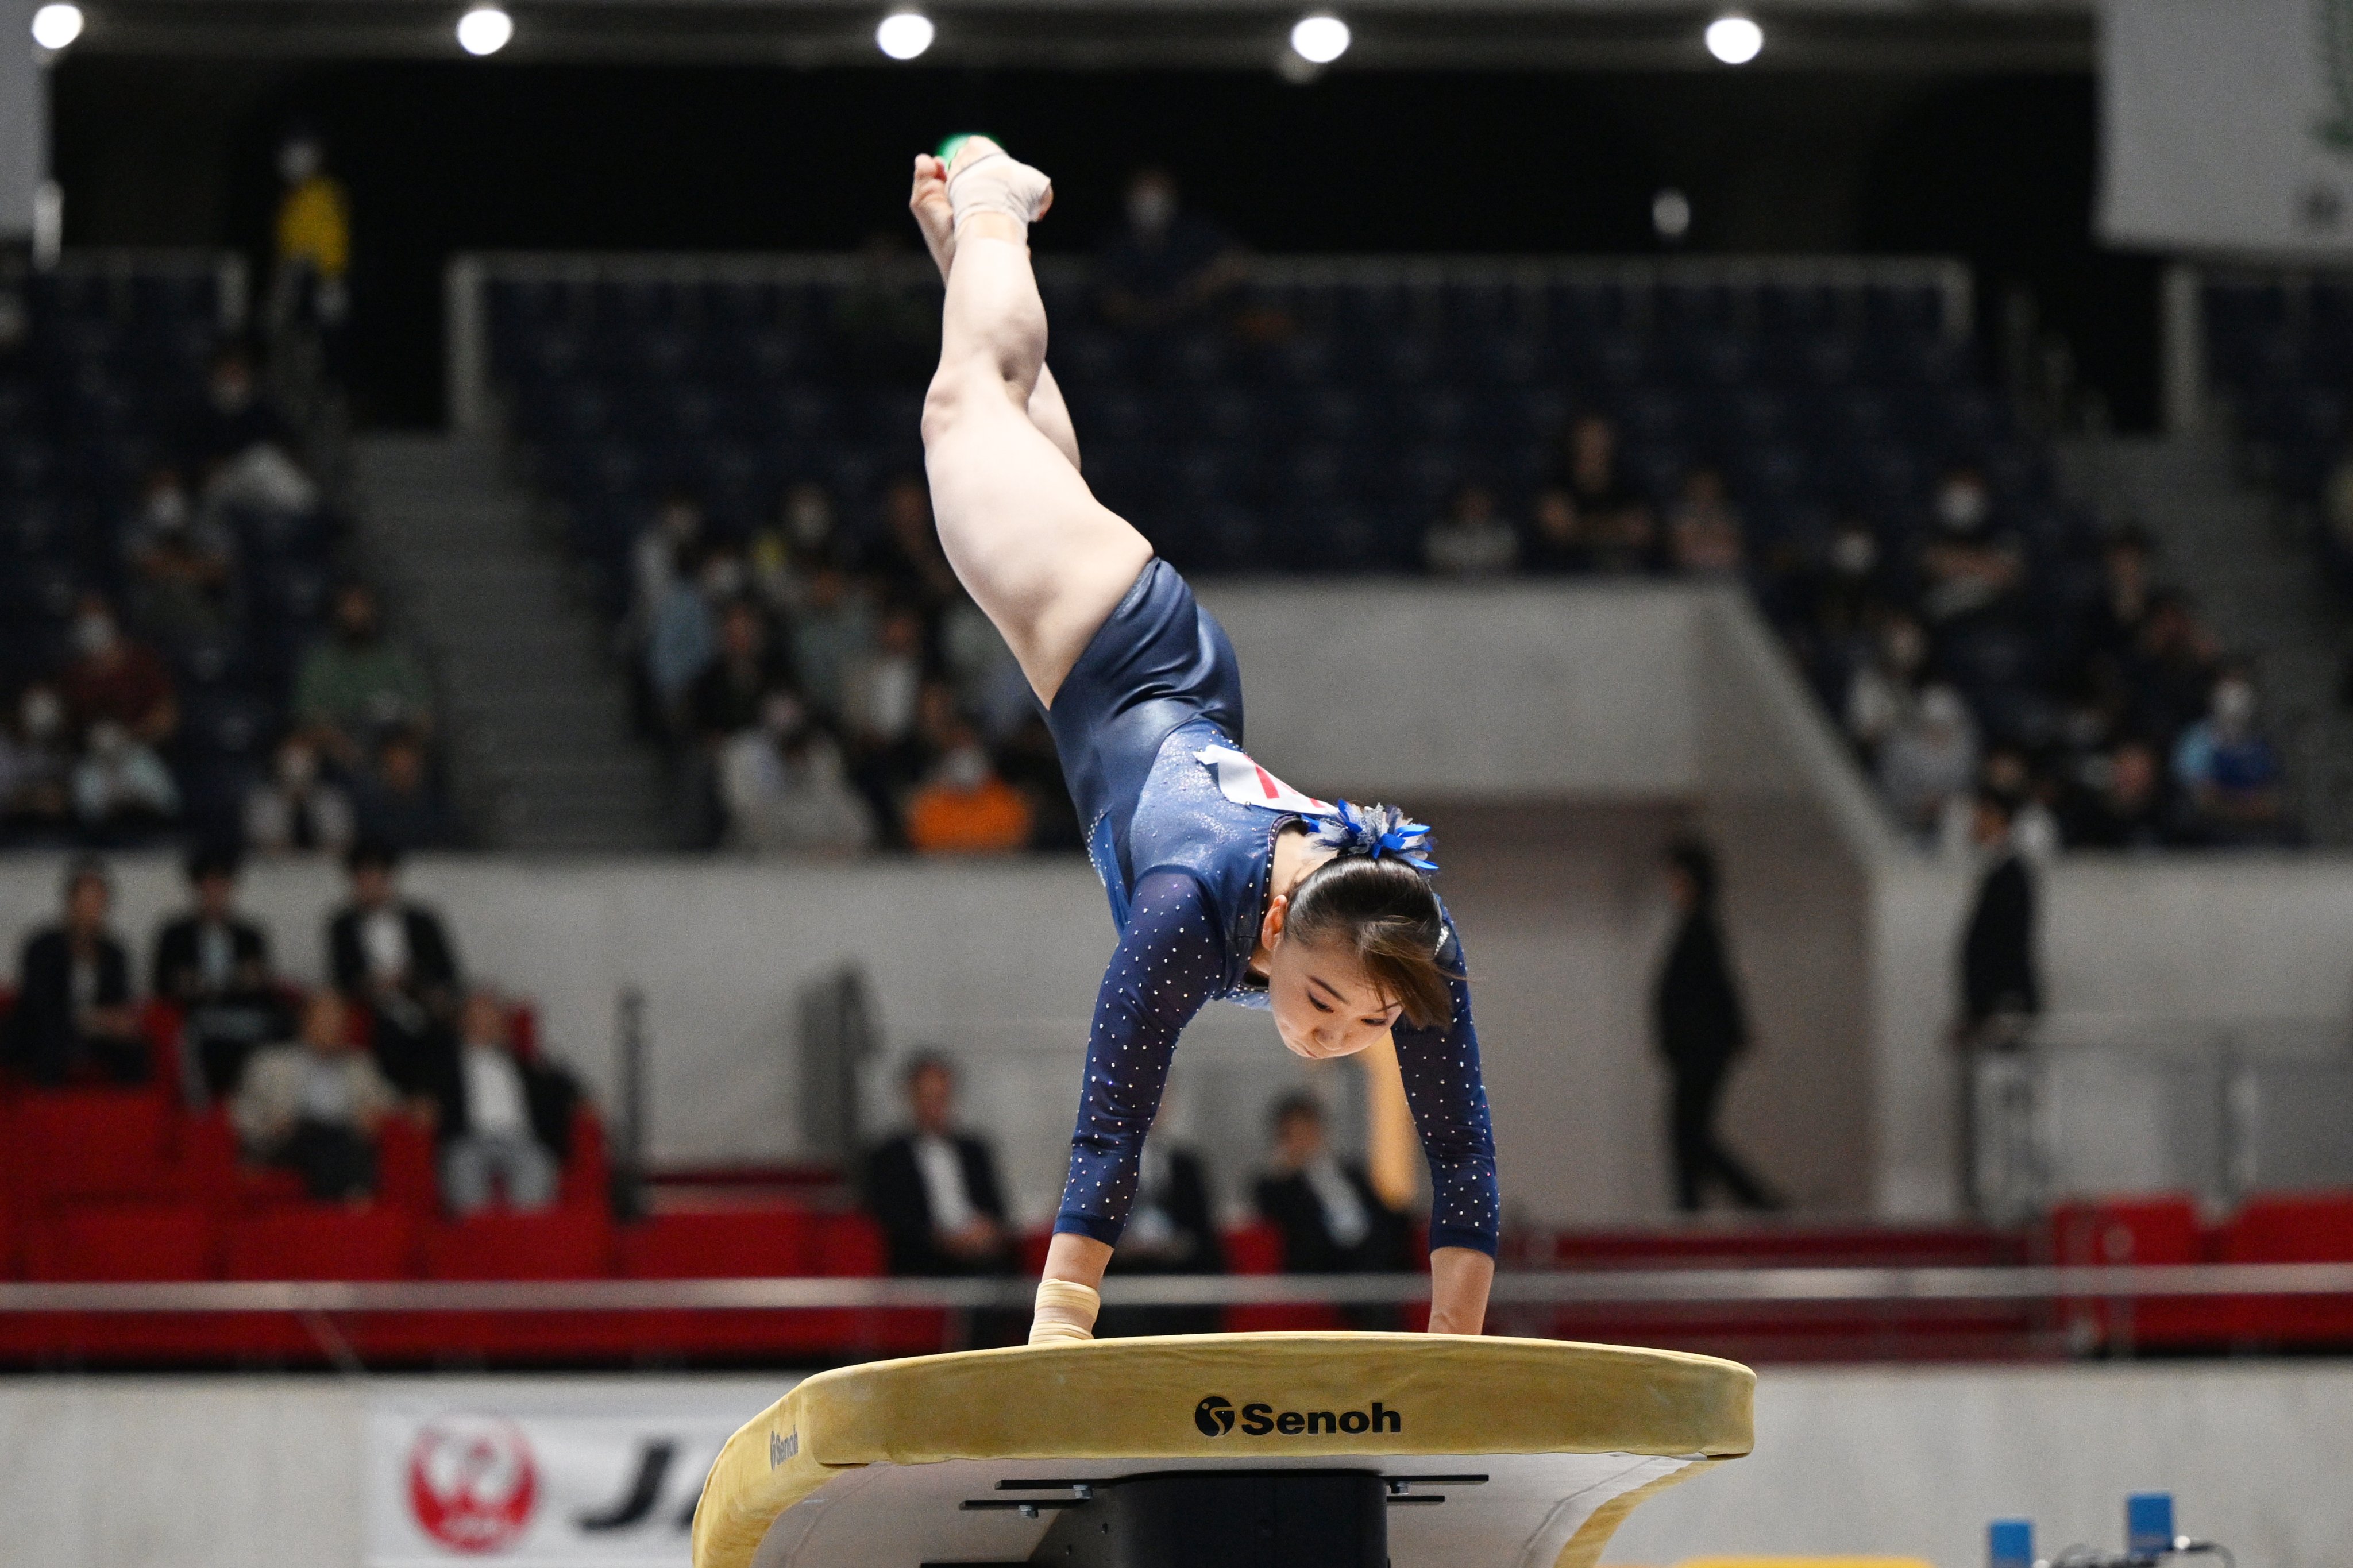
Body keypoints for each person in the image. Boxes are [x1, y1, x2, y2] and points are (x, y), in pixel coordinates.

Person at [907, 140, 1496, 1345]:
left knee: (1012, 423)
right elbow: (1112, 1112)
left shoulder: (1405, 939)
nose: (1334, 1041)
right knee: (964, 403)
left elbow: (1459, 1143)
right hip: (1102, 637)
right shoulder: (1188, 909)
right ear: (1276, 928)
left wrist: (1457, 1350)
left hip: (1168, 683)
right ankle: (989, 200)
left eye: (1362, 1029)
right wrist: (1063, 1320)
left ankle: (971, 259)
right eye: (1330, 1005)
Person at [1652, 839, 1777, 1214]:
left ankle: (1751, 1201)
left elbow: (1719, 984)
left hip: (1701, 1051)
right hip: (1696, 1050)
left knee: (1688, 1135)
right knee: (1690, 1136)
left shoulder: (1701, 927)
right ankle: (1736, 1202)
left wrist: (1731, 1031)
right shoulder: (1694, 925)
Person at [1252, 1094, 1410, 1328]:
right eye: (1297, 1133)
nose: (1306, 1139)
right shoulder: (1276, 1184)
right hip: (1322, 1266)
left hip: (1372, 1260)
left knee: (1379, 1272)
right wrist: (1289, 1171)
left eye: (1310, 1130)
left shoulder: (1351, 1171)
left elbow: (1386, 1216)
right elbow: (1281, 1227)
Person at [232, 991, 396, 1203]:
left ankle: (336, 1208)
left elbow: (390, 1103)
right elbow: (241, 1112)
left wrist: (374, 1115)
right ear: (306, 1023)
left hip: (343, 1134)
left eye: (340, 1022)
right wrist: (270, 1125)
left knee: (338, 1139)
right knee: (319, 1136)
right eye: (327, 1021)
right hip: (287, 1139)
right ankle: (352, 1199)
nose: (334, 1028)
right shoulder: (271, 1063)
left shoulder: (360, 1065)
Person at [327, 840, 461, 1096]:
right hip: (376, 1008)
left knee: (442, 1037)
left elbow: (448, 973)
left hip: (422, 1002)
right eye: (363, 879)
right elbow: (341, 978)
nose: (370, 886)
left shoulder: (423, 922)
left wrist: (414, 981)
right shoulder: (342, 926)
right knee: (390, 1036)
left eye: (376, 877)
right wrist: (375, 984)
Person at [861, 1054, 1015, 1277]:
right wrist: (943, 1239)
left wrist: (985, 1231)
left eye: (941, 1099)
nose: (935, 1108)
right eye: (928, 1099)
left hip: (982, 1256)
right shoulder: (888, 1156)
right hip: (923, 1257)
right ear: (911, 1098)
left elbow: (998, 1208)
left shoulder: (975, 1150)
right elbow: (891, 1218)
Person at [151, 847, 284, 1098]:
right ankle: (202, 1110)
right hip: (198, 1017)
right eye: (208, 885)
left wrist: (237, 983)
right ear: (197, 888)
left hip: (242, 1014)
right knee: (200, 1039)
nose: (215, 892)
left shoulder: (250, 935)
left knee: (277, 1029)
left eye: (221, 885)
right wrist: (194, 986)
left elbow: (262, 983)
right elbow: (162, 984)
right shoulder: (175, 935)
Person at [6, 858, 148, 1085]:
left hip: (98, 1036)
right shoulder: (42, 946)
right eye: (85, 902)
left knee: (136, 1050)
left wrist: (115, 1022)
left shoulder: (114, 953)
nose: (91, 911)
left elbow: (120, 1002)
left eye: (97, 903)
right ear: (70, 903)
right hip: (51, 1029)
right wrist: (89, 1020)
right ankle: (47, 1113)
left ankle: (126, 1116)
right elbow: (40, 1005)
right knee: (48, 1041)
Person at [430, 991, 563, 1217]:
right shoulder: (445, 1063)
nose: (485, 1022)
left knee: (537, 1168)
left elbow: (562, 1083)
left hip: (520, 1139)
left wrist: (581, 1099)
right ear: (464, 1022)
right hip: (469, 1140)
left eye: (491, 1016)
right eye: (477, 1016)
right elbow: (421, 1093)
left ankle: (521, 1242)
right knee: (463, 1172)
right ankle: (479, 1242)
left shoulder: (523, 1064)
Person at [294, 584, 434, 770]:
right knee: (296, 754)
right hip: (336, 748)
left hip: (390, 745)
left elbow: (422, 716)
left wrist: (403, 741)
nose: (355, 615)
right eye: (349, 607)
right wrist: (343, 746)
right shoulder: (322, 662)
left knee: (404, 761)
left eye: (361, 607)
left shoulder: (395, 658)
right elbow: (308, 718)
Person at [718, 695, 877, 855]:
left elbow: (856, 822)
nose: (795, 756)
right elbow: (747, 815)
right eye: (788, 745)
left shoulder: (821, 756)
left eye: (798, 743)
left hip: (819, 852)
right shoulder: (746, 754)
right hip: (766, 853)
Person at [1095, 168, 1246, 331]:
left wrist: (1195, 291)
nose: (1149, 203)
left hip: (1190, 326)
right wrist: (1143, 312)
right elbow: (1108, 294)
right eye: (1142, 195)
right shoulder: (1117, 239)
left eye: (1156, 194)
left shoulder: (1194, 233)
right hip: (1133, 329)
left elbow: (1236, 262)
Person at [2172, 668, 2288, 845]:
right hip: (2209, 828)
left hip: (2254, 829)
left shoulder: (2259, 744)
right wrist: (2239, 807)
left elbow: (2271, 800)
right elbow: (2200, 798)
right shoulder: (2196, 741)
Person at [59, 594, 178, 749]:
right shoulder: (72, 674)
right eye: (84, 619)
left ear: (110, 619)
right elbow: (66, 723)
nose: (91, 624)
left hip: (140, 751)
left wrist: (127, 737)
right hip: (91, 758)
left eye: (96, 616)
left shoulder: (140, 660)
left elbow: (167, 716)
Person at [902, 719, 1033, 855]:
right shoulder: (929, 807)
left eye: (969, 745)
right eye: (958, 746)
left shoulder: (1007, 803)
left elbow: (1014, 844)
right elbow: (924, 846)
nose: (964, 754)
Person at [244, 732, 357, 856]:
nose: (297, 763)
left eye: (303, 757)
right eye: (291, 757)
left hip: (323, 864)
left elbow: (341, 840)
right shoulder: (262, 800)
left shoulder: (332, 798)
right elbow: (261, 840)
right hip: (272, 866)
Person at [353, 728, 459, 852]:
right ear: (385, 761)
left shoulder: (439, 807)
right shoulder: (370, 808)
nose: (404, 764)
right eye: (397, 756)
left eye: (409, 756)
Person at [1422, 484, 1519, 577]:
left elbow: (1507, 566)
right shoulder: (1441, 536)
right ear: (1458, 504)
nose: (1474, 508)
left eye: (1479, 503)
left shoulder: (1503, 536)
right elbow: (1438, 568)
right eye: (1469, 503)